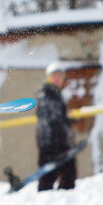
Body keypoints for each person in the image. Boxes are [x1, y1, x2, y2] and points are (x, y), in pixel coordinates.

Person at [35, 62, 76, 191]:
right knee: (48, 176)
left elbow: (59, 118)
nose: (57, 78)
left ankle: (64, 202)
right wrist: (49, 144)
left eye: (60, 75)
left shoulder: (58, 94)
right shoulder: (45, 93)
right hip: (50, 143)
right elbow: (46, 120)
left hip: (61, 141)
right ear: (48, 77)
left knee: (68, 174)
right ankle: (45, 204)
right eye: (54, 75)